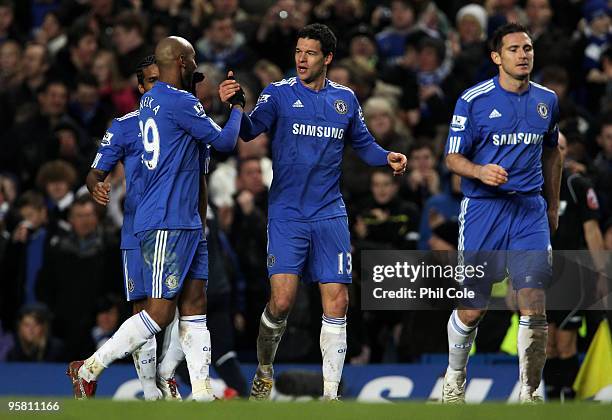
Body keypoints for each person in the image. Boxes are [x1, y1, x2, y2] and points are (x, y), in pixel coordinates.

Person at [224, 23, 407, 401]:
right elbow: (248, 132)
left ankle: (329, 395)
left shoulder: (346, 100)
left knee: (337, 300)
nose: (301, 59)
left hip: (329, 213)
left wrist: (386, 156)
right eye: (297, 52)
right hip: (287, 214)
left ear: (327, 58)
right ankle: (264, 367)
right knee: (282, 302)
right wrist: (236, 105)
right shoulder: (278, 94)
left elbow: (364, 144)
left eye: (309, 53)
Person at [67, 36, 243, 401]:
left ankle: (201, 391)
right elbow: (225, 143)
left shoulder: (163, 108)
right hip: (162, 219)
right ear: (180, 62)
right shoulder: (175, 106)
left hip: (188, 223)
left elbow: (200, 178)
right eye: (192, 60)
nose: (197, 66)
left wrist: (202, 223)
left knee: (194, 307)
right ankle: (90, 369)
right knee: (157, 312)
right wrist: (237, 108)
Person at [442, 23, 562, 403]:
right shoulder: (473, 100)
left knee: (533, 299)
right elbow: (452, 158)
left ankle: (530, 392)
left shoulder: (547, 100)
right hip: (484, 209)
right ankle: (454, 376)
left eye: (527, 48)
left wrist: (553, 206)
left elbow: (553, 152)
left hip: (529, 210)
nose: (523, 54)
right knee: (473, 309)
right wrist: (479, 171)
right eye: (513, 49)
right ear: (497, 57)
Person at [84, 55, 170, 401]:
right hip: (137, 230)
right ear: (140, 87)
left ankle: (167, 381)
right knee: (142, 312)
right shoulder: (123, 126)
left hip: (175, 226)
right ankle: (151, 393)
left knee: (177, 308)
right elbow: (95, 171)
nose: (156, 86)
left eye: (161, 80)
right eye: (150, 81)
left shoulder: (182, 119)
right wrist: (96, 184)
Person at [545, 133, 606, 400]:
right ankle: (550, 395)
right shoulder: (530, 186)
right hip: (540, 272)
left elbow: (591, 231)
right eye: (552, 147)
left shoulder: (577, 185)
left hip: (573, 274)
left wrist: (602, 271)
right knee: (545, 344)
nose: (557, 151)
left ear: (567, 151)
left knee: (565, 341)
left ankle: (567, 401)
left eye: (562, 147)